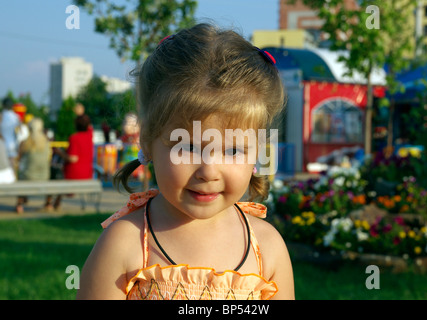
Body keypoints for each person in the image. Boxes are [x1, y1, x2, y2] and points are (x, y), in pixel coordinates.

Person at [77, 23, 294, 300]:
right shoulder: (124, 244)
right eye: (188, 147)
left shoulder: (267, 248)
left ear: (257, 151)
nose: (209, 171)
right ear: (147, 141)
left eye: (233, 151)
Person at [44, 114, 94, 211]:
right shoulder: (89, 136)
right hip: (87, 173)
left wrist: (59, 153)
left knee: (54, 173)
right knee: (59, 175)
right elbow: (90, 128)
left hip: (74, 174)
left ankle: (49, 203)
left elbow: (73, 158)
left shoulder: (74, 138)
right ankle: (56, 203)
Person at [15, 118, 51, 214]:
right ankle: (48, 204)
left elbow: (18, 158)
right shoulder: (47, 142)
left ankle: (19, 204)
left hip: (28, 176)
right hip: (44, 176)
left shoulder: (25, 142)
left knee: (21, 175)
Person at [1, 97, 21, 171]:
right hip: (12, 142)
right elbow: (20, 131)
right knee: (12, 163)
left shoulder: (1, 116)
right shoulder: (16, 116)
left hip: (2, 143)